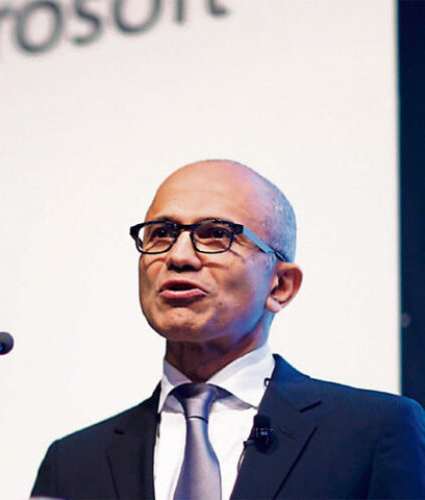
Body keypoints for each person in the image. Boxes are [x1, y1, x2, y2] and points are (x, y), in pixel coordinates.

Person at [30, 160, 425, 499]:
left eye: (216, 234)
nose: (178, 256)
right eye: (161, 233)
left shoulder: (373, 433)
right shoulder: (73, 463)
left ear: (280, 286)